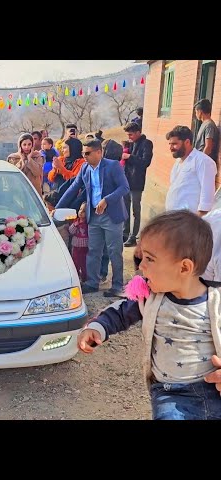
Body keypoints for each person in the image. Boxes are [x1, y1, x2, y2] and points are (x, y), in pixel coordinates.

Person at [78, 210, 221, 420]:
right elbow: (120, 313)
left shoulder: (215, 301)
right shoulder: (151, 297)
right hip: (170, 395)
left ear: (184, 267)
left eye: (149, 259)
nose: (141, 266)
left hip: (213, 390)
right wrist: (97, 327)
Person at [56, 139, 130, 297]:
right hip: (94, 216)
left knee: (114, 251)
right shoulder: (85, 168)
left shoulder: (112, 166)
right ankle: (92, 283)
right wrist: (57, 209)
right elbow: (73, 188)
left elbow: (124, 187)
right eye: (83, 153)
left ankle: (117, 285)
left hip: (112, 216)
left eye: (87, 153)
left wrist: (107, 200)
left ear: (98, 152)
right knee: (93, 251)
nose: (84, 156)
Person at [164, 125, 217, 216]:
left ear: (187, 142)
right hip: (174, 217)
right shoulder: (178, 162)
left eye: (174, 144)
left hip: (189, 220)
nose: (171, 148)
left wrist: (198, 218)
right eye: (170, 144)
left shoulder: (203, 161)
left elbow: (207, 193)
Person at [121, 121, 153, 247]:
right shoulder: (130, 144)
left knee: (136, 209)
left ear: (138, 132)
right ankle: (125, 233)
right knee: (125, 209)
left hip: (137, 182)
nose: (129, 137)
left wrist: (129, 156)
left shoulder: (146, 144)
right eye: (128, 135)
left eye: (131, 134)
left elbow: (145, 162)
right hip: (126, 180)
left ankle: (133, 236)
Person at [68, 202, 89, 282]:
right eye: (80, 210)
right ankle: (76, 278)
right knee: (75, 262)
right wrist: (75, 224)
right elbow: (71, 231)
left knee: (84, 263)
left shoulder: (88, 223)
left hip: (85, 247)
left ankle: (85, 278)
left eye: (84, 211)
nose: (80, 212)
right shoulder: (75, 221)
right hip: (76, 247)